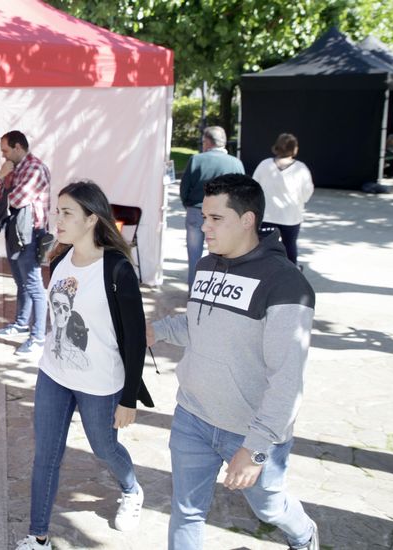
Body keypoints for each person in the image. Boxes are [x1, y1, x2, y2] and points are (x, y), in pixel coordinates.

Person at [147, 174, 318, 550]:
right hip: (192, 416)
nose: (203, 227)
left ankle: (304, 533)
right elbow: (198, 326)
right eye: (203, 217)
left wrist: (255, 448)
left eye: (215, 218)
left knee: (269, 508)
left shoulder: (286, 285)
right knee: (186, 511)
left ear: (247, 220)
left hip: (249, 430)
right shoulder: (207, 265)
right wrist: (155, 331)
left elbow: (287, 380)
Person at [15, 181, 153, 550]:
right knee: (46, 455)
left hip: (100, 382)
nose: (57, 220)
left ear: (91, 219)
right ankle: (38, 537)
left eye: (66, 213)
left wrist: (129, 399)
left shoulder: (117, 268)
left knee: (104, 448)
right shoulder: (59, 259)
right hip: (54, 373)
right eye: (57, 211)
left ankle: (131, 488)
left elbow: (135, 338)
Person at [0, 130, 51, 356]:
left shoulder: (34, 169)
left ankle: (38, 338)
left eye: (5, 151)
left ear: (18, 147)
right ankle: (21, 324)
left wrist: (3, 182)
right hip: (16, 231)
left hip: (31, 234)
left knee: (34, 286)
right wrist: (1, 177)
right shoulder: (15, 168)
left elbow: (15, 200)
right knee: (21, 282)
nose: (3, 156)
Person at [179, 126, 245, 288]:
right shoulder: (236, 163)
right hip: (223, 216)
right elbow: (242, 192)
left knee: (194, 255)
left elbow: (184, 187)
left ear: (208, 142)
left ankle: (194, 290)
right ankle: (213, 291)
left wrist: (188, 204)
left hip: (196, 211)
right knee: (218, 255)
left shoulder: (196, 160)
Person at [251, 133, 314, 265]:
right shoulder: (300, 168)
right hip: (290, 216)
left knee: (264, 247)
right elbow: (307, 192)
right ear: (294, 148)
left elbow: (254, 187)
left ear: (277, 146)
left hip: (267, 215)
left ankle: (260, 271)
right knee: (289, 245)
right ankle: (291, 272)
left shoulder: (265, 164)